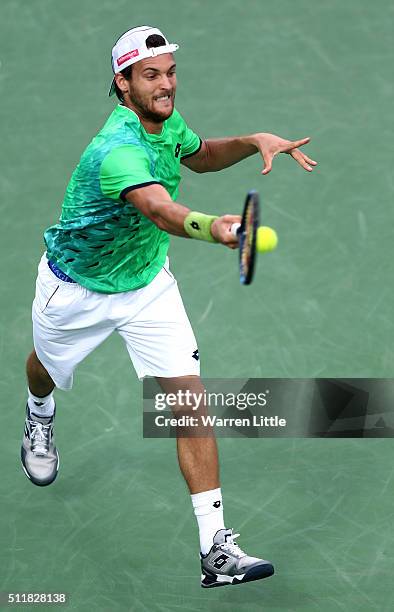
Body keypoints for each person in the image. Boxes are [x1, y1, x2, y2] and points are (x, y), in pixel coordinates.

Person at [21, 25, 317, 588]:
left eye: (170, 72)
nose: (166, 85)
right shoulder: (117, 150)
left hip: (147, 287)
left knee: (189, 401)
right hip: (77, 289)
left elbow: (200, 156)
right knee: (45, 369)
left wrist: (254, 139)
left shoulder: (162, 123)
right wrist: (215, 228)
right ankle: (38, 415)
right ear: (123, 83)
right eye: (151, 75)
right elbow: (159, 209)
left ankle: (216, 551)